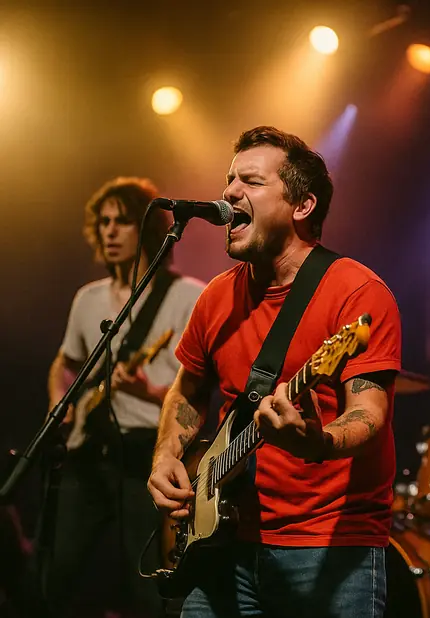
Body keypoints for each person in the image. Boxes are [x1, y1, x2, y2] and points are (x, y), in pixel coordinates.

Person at [147, 126, 401, 618]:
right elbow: (187, 389)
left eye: (251, 181)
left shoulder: (357, 293)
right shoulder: (216, 296)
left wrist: (316, 443)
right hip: (224, 544)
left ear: (301, 206)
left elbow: (369, 413)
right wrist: (165, 457)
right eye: (228, 179)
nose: (228, 192)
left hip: (329, 545)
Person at [44, 177, 205, 617]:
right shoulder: (88, 299)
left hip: (145, 455)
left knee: (145, 586)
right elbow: (65, 363)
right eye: (104, 222)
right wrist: (61, 403)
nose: (110, 231)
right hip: (87, 453)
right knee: (59, 575)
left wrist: (149, 391)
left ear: (149, 229)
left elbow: (204, 395)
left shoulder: (189, 296)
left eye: (123, 221)